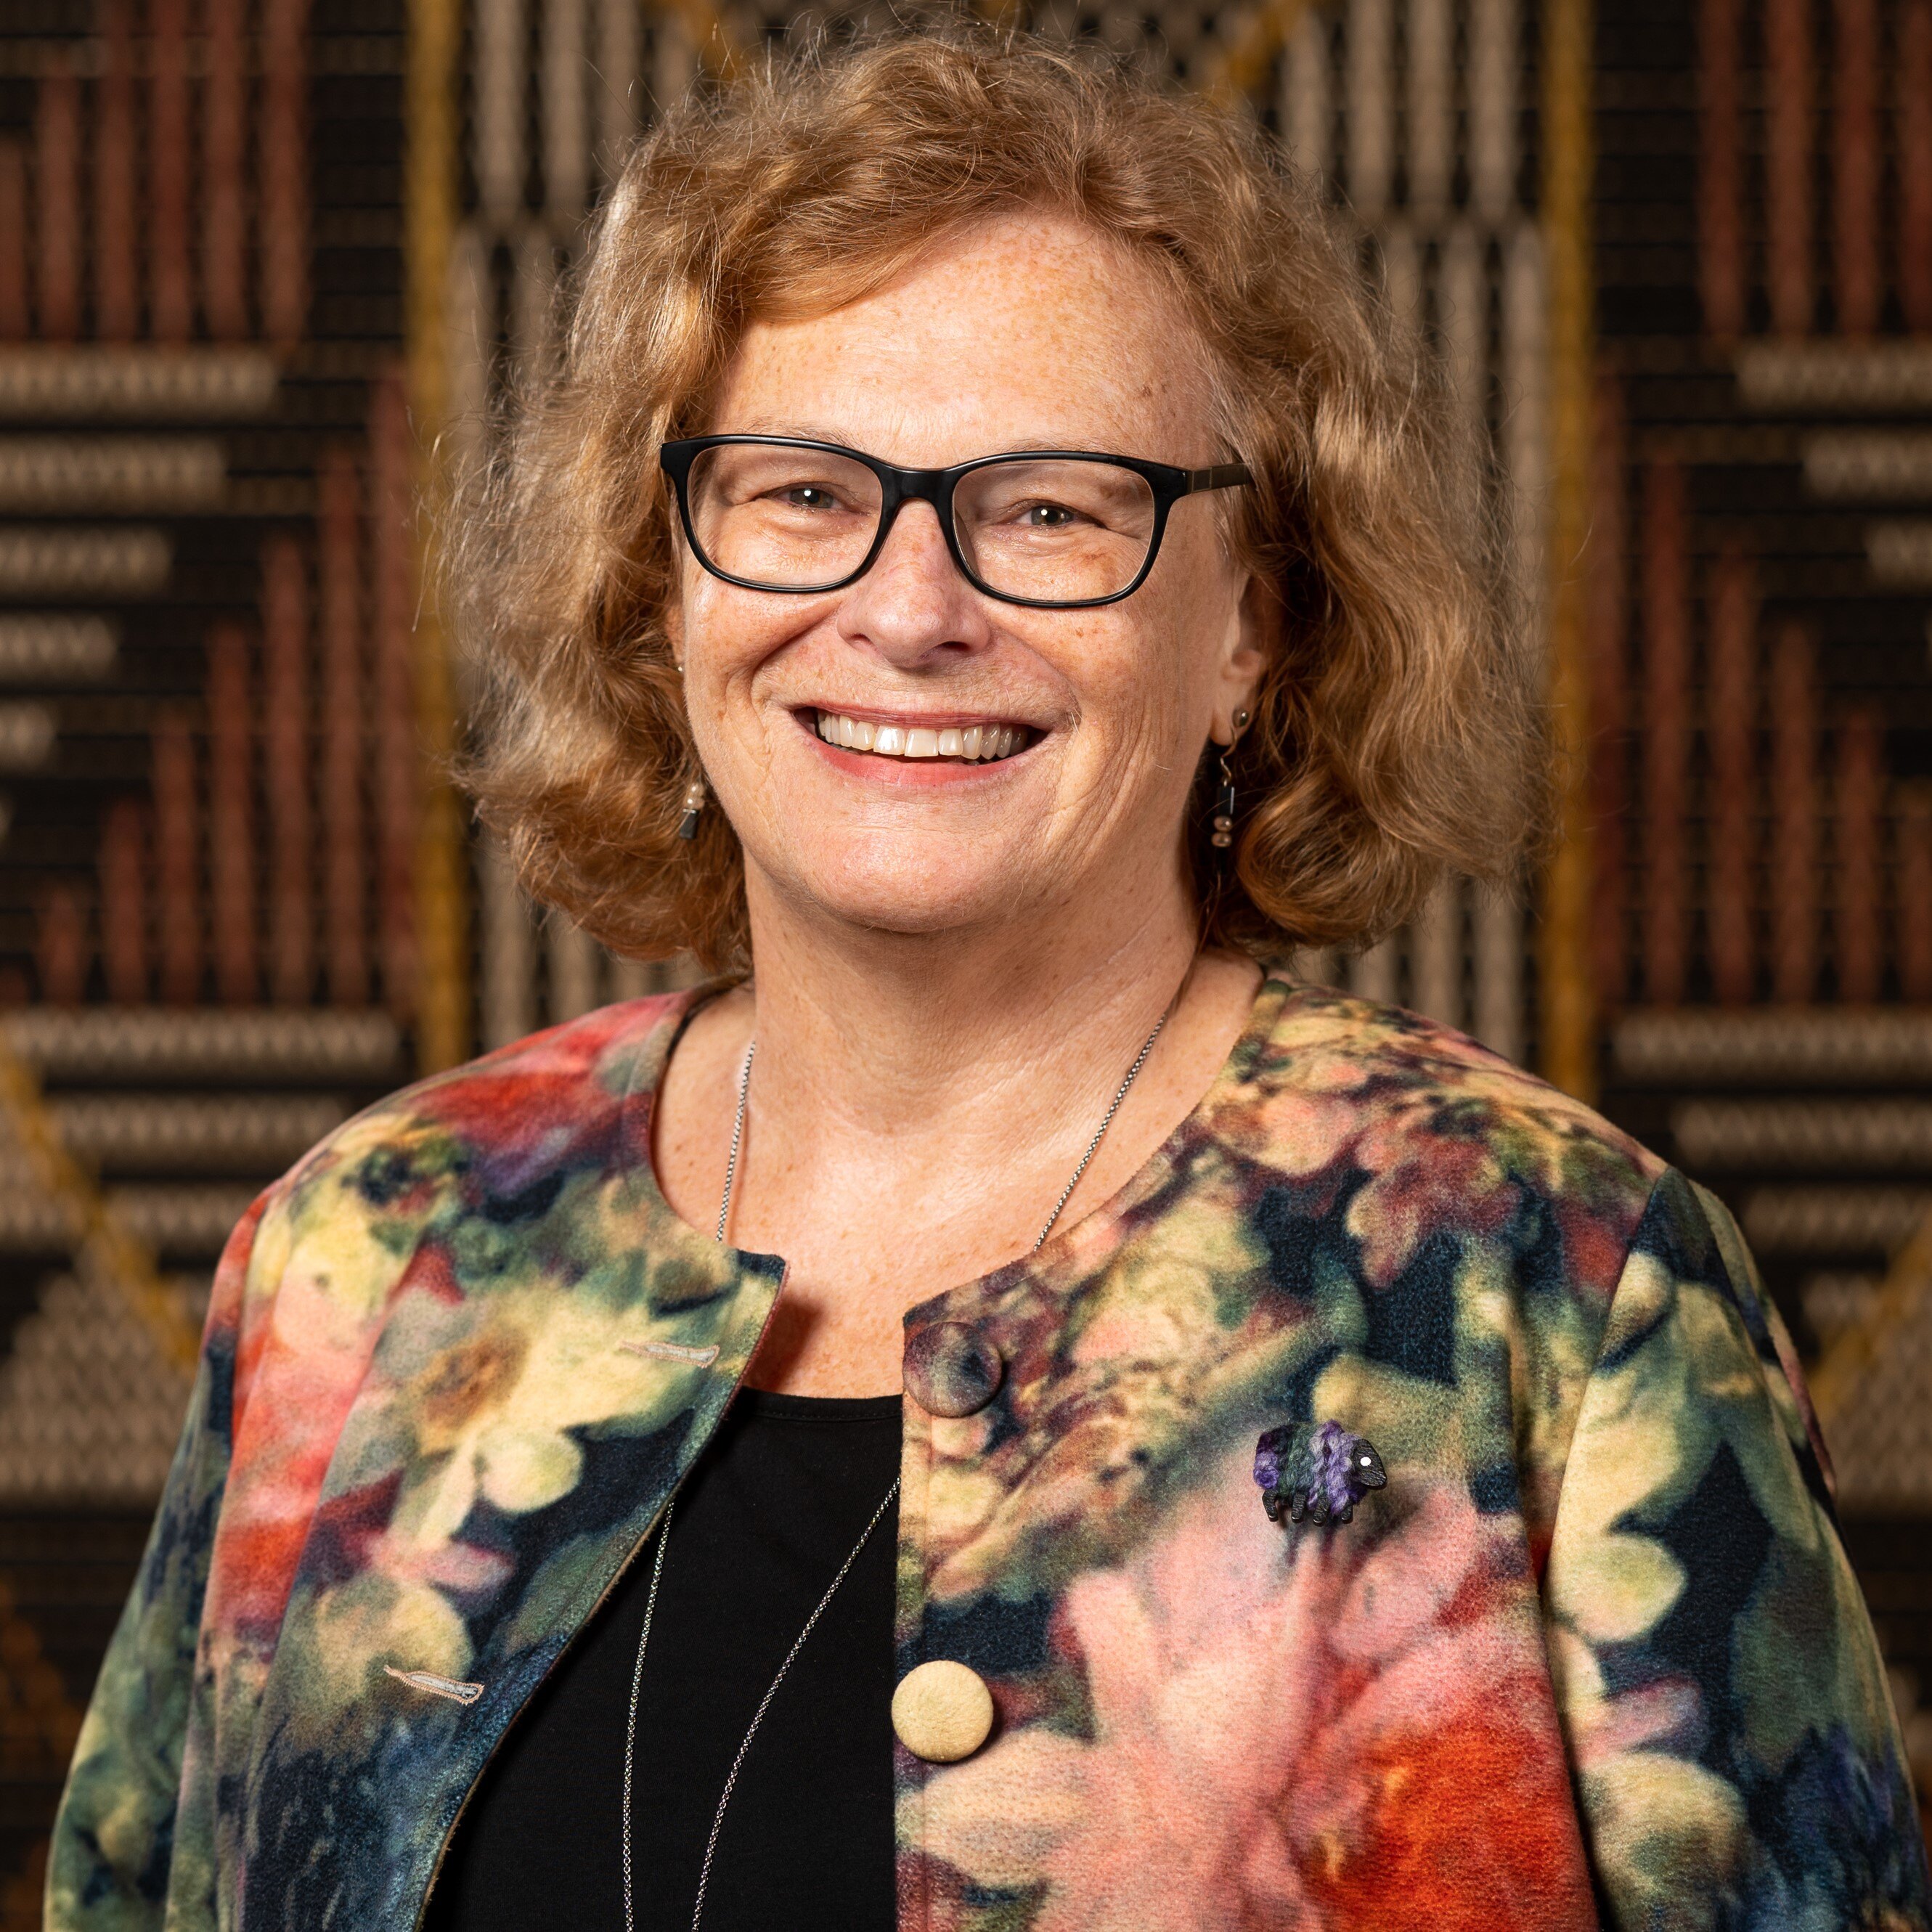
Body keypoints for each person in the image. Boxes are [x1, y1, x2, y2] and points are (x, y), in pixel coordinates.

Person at [48, 28, 1928, 1932]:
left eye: (1050, 510)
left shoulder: (1557, 1285)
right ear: (663, 581)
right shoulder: (368, 1255)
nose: (908, 609)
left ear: (1253, 627)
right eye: (800, 493)